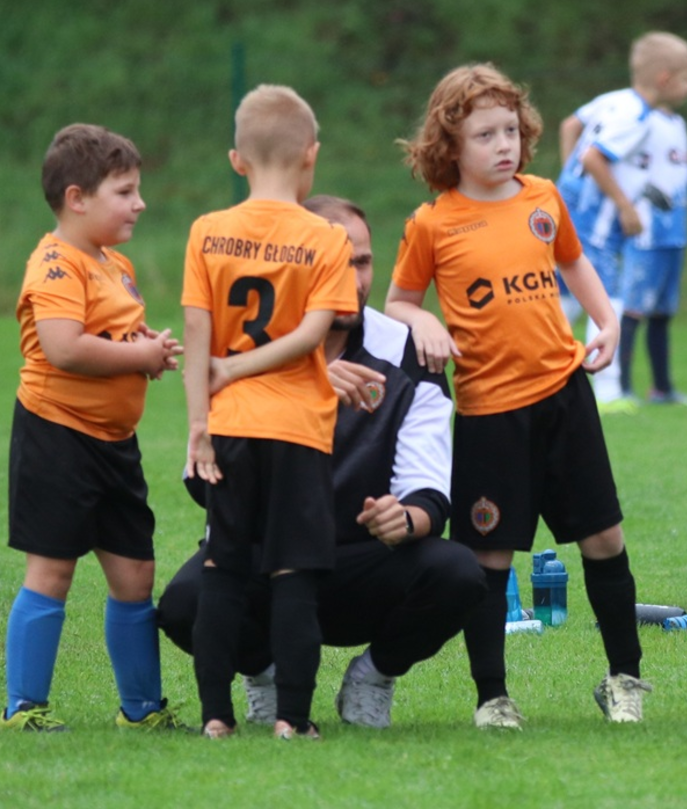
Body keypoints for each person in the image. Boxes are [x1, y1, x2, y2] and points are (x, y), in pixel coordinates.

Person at [385, 63, 650, 729]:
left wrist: (607, 320)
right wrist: (423, 322)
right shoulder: (432, 223)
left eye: (510, 130)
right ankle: (492, 697)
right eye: (485, 135)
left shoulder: (543, 197)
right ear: (450, 146)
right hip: (490, 414)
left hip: (564, 395)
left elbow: (574, 261)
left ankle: (624, 678)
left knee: (604, 537)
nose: (503, 144)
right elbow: (399, 301)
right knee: (489, 558)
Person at [158, 194, 486, 730]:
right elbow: (204, 483)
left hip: (362, 562)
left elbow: (430, 488)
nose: (354, 280)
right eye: (338, 263)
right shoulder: (242, 346)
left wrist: (402, 519)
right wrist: (295, 390)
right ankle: (264, 674)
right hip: (268, 560)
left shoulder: (405, 350)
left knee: (458, 574)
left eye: (363, 261)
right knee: (183, 603)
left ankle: (373, 677)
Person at [181, 85, 358, 740]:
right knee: (293, 576)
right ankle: (292, 718)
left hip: (228, 427)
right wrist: (241, 368)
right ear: (311, 155)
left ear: (237, 160)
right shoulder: (326, 237)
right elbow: (314, 334)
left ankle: (215, 717)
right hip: (298, 429)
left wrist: (199, 425)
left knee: (223, 569)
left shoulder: (207, 231)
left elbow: (197, 337)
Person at [1, 123, 187, 732]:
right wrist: (137, 355)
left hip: (115, 444)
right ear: (77, 198)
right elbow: (64, 348)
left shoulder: (115, 263)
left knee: (135, 575)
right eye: (125, 192)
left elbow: (111, 335)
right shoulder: (56, 264)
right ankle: (23, 708)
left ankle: (142, 711)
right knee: (52, 570)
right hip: (57, 434)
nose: (140, 203)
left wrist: (145, 347)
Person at [556, 31, 687, 412]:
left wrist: (568, 182)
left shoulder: (614, 99)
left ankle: (536, 370)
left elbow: (570, 126)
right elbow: (593, 158)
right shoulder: (638, 117)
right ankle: (608, 391)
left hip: (568, 210)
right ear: (665, 79)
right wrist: (624, 205)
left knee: (563, 297)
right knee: (608, 297)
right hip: (595, 223)